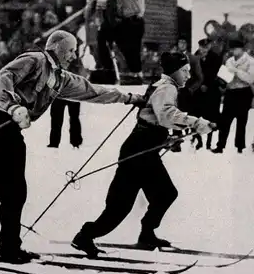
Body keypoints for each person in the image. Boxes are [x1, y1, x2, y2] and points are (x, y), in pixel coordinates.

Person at [0, 31, 145, 264]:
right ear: (56, 47)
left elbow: (92, 91)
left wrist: (130, 98)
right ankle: (6, 248)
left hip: (8, 131)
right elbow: (5, 76)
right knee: (1, 191)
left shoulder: (61, 78)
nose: (73, 55)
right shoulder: (36, 59)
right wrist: (13, 107)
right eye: (70, 50)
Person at [71, 52, 216, 257]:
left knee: (163, 194)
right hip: (139, 152)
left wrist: (168, 136)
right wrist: (196, 123)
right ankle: (85, 236)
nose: (188, 75)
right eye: (185, 71)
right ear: (175, 72)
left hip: (144, 150)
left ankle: (147, 234)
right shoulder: (167, 88)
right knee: (121, 206)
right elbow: (166, 115)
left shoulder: (162, 86)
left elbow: (155, 117)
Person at [85, 0, 146, 85]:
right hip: (121, 22)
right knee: (102, 38)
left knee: (131, 50)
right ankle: (108, 69)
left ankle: (136, 74)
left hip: (133, 21)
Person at [212, 39, 254, 154]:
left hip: (244, 92)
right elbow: (226, 77)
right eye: (232, 49)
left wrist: (236, 71)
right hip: (231, 92)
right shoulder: (229, 61)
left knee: (241, 120)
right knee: (225, 120)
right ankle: (220, 145)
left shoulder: (251, 61)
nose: (233, 51)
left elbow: (250, 79)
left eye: (236, 49)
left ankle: (240, 146)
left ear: (242, 49)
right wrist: (222, 79)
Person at [194, 38, 223, 150]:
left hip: (211, 91)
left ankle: (209, 143)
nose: (204, 49)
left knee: (211, 117)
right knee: (195, 116)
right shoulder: (195, 56)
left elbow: (215, 73)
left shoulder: (216, 57)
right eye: (202, 47)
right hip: (198, 91)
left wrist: (207, 84)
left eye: (206, 46)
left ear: (210, 46)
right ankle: (198, 141)